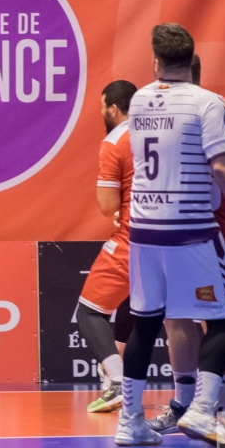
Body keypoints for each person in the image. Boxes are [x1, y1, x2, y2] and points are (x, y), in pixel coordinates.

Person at [114, 24, 225, 447]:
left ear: (155, 61)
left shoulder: (139, 100)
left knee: (146, 324)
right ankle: (200, 410)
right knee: (222, 321)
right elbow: (219, 167)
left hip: (144, 231)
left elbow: (170, 132)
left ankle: (130, 422)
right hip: (191, 229)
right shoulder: (207, 102)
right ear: (194, 61)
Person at [147, 54, 225, 441]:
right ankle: (184, 403)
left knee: (217, 321)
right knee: (175, 316)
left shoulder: (209, 107)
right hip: (188, 227)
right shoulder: (206, 110)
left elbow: (223, 170)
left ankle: (223, 410)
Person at [78, 80, 138, 413]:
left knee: (88, 311)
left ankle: (116, 379)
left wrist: (119, 208)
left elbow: (105, 204)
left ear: (113, 109)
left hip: (134, 239)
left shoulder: (115, 141)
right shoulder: (162, 130)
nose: (102, 112)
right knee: (173, 318)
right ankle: (199, 396)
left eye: (102, 106)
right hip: (178, 238)